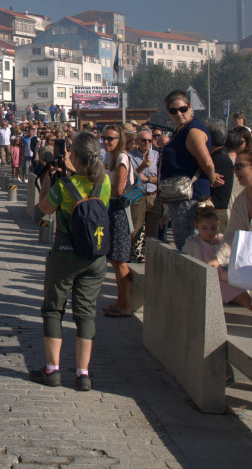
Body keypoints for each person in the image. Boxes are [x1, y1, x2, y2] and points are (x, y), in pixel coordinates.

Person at [31, 131, 110, 391]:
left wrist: (50, 177)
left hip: (65, 253)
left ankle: (52, 369)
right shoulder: (105, 182)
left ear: (73, 155)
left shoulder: (64, 186)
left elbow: (43, 209)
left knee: (54, 309)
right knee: (85, 313)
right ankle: (82, 373)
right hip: (95, 256)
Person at [159, 90, 223, 250]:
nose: (179, 114)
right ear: (168, 112)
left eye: (183, 109)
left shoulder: (193, 131)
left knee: (190, 246)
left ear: (190, 107)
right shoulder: (181, 130)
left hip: (190, 197)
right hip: (181, 196)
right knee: (186, 244)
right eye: (173, 110)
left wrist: (212, 177)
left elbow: (206, 161)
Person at [182, 203, 252, 313]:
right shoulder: (192, 244)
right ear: (196, 226)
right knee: (249, 303)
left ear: (218, 224)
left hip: (231, 280)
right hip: (213, 283)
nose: (209, 232)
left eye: (213, 228)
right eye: (204, 228)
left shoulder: (223, 240)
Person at [101, 125, 135, 318]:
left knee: (120, 260)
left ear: (119, 139)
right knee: (115, 259)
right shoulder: (112, 157)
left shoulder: (122, 157)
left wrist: (101, 186)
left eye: (110, 138)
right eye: (104, 138)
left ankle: (126, 305)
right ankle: (120, 301)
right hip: (112, 209)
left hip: (119, 210)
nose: (106, 141)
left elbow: (118, 189)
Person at [128, 128, 159, 263]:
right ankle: (133, 253)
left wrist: (147, 178)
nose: (146, 143)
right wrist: (141, 168)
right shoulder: (130, 156)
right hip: (138, 195)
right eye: (143, 140)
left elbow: (160, 176)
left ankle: (150, 254)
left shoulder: (157, 156)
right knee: (136, 226)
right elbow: (132, 176)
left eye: (149, 141)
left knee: (152, 227)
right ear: (137, 141)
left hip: (153, 194)